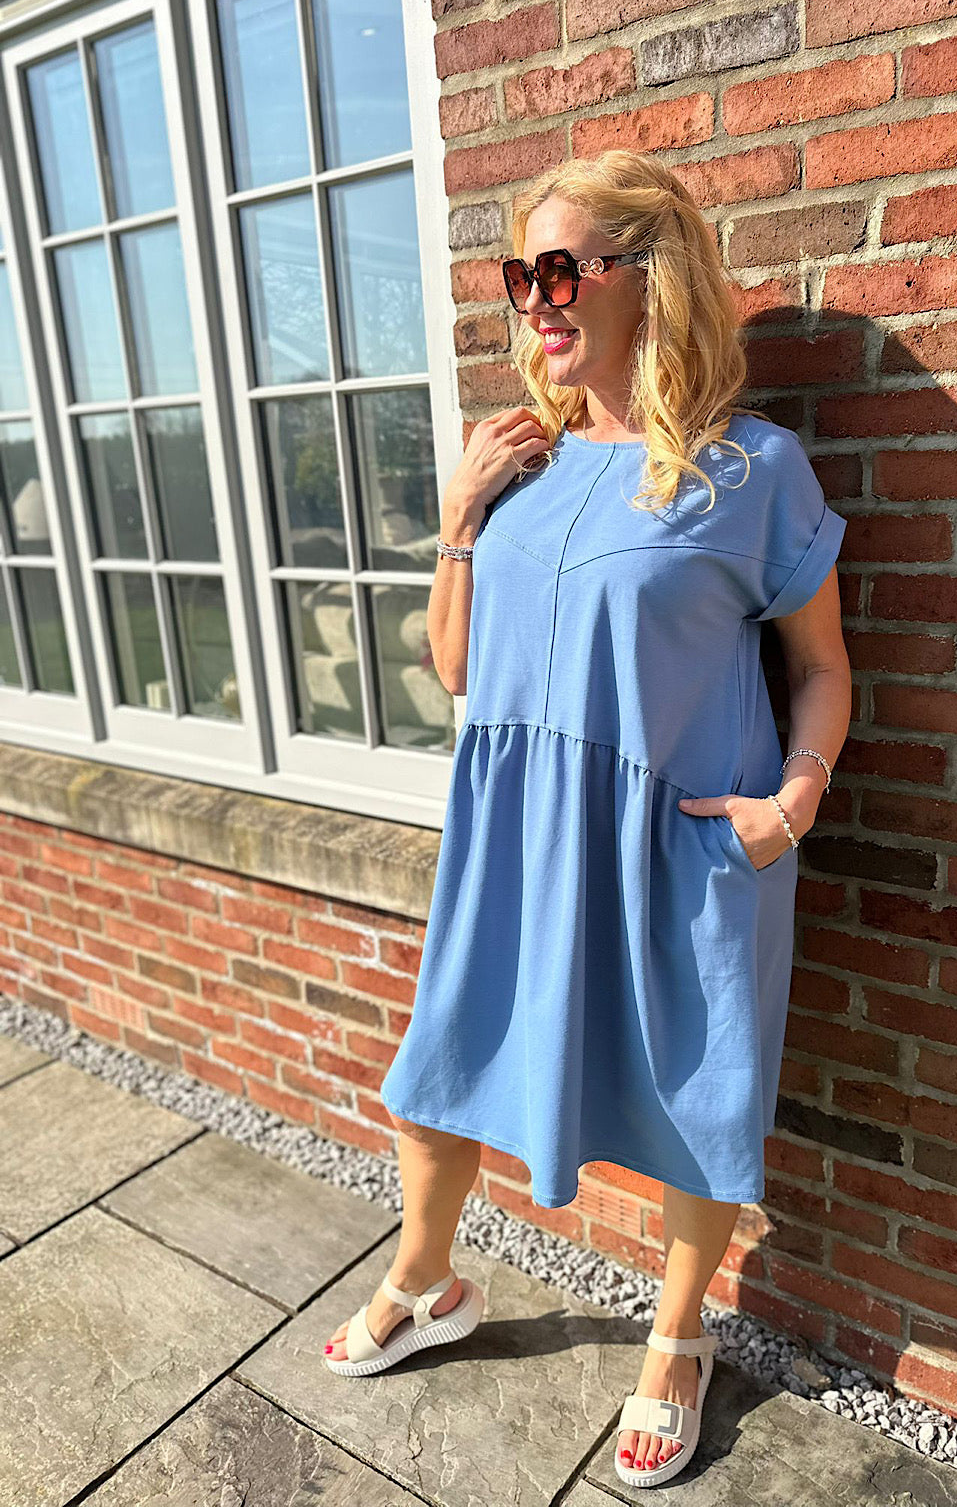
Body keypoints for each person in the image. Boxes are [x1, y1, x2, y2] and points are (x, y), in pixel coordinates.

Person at [324, 148, 852, 1487]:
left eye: (558, 272)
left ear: (647, 278)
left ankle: (676, 1339)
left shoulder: (752, 470)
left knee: (698, 1096)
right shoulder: (523, 462)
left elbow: (823, 667)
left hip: (679, 843)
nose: (533, 302)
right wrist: (458, 514)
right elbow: (457, 670)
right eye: (520, 277)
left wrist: (792, 804)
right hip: (514, 837)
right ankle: (427, 1278)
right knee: (436, 1071)